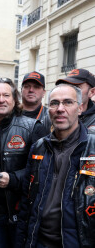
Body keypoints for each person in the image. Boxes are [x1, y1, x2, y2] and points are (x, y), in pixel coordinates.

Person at [16, 83, 95, 247]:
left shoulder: (92, 148)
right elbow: (26, 201)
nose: (60, 108)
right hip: (39, 241)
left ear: (80, 108)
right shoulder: (38, 147)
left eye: (68, 102)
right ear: (48, 109)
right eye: (54, 103)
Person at [0, 77, 46, 248]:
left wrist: (14, 179)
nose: (1, 100)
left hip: (21, 211)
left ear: (15, 99)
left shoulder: (33, 127)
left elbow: (44, 169)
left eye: (6, 95)